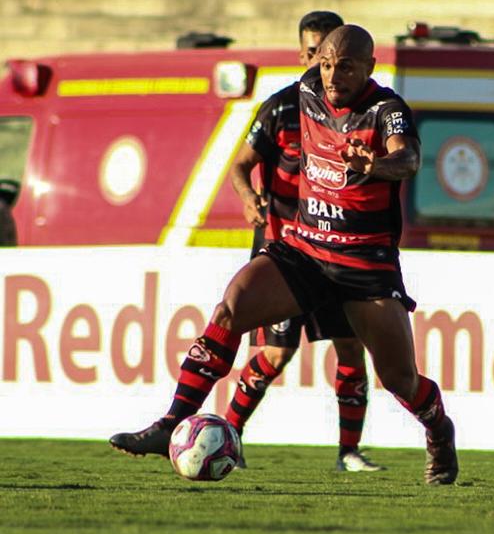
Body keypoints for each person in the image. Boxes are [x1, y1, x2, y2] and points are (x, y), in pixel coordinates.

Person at [111, 24, 458, 485]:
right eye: (327, 64)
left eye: (346, 67)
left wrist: (375, 165)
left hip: (363, 263)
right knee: (231, 307)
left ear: (369, 68)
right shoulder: (305, 91)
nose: (332, 76)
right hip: (305, 250)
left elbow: (409, 158)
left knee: (399, 380)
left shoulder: (386, 110)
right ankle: (172, 422)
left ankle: (439, 430)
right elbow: (248, 155)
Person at [225, 10, 381, 473]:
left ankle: (348, 452)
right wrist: (250, 198)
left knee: (350, 347)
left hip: (336, 247)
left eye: (332, 57)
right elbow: (240, 165)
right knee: (276, 353)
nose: (322, 65)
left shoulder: (360, 112)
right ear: (303, 55)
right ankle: (229, 435)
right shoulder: (280, 108)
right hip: (286, 250)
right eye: (315, 54)